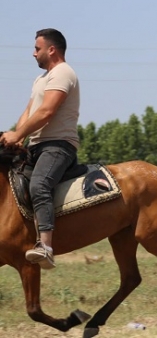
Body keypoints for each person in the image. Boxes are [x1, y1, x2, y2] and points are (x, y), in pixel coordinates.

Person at [0, 28, 80, 269]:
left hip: (57, 147)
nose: (33, 53)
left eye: (37, 48)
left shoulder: (63, 73)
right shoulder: (41, 79)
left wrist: (19, 133)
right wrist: (15, 136)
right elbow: (30, 111)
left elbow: (47, 112)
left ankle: (45, 247)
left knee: (39, 184)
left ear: (51, 49)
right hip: (36, 146)